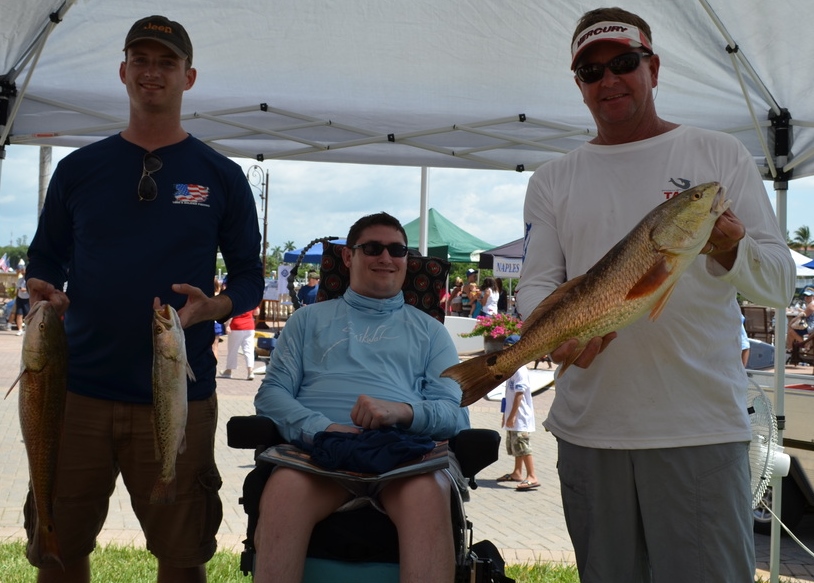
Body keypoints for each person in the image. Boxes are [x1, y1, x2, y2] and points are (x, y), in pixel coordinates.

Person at [515, 7, 795, 582]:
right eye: (591, 71)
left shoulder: (718, 155)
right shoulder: (551, 179)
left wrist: (731, 250)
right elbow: (538, 283)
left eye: (624, 62)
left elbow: (779, 282)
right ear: (579, 85)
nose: (609, 80)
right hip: (589, 429)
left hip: (701, 429)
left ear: (654, 67)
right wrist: (554, 336)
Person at [24, 15, 264, 583]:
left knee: (181, 555)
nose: (152, 72)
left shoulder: (222, 175)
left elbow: (249, 278)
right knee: (58, 547)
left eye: (167, 62)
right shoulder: (78, 169)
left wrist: (215, 307)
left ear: (189, 77)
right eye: (141, 60)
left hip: (180, 394)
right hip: (76, 392)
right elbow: (45, 258)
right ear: (123, 71)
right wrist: (44, 290)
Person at [252, 211, 470, 583]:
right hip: (317, 455)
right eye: (372, 248)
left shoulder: (432, 332)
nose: (386, 258)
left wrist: (402, 412)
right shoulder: (306, 321)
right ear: (348, 255)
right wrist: (324, 430)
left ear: (407, 260)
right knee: (284, 490)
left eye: (397, 250)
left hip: (404, 457)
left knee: (429, 492)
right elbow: (272, 394)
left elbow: (455, 414)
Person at [494, 334, 538, 491]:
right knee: (515, 446)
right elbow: (508, 395)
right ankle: (517, 472)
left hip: (520, 416)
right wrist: (505, 414)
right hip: (513, 415)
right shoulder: (511, 368)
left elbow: (519, 394)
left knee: (522, 445)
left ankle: (532, 475)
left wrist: (512, 416)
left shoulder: (520, 370)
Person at [14, 262, 30, 336]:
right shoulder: (20, 280)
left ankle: (28, 329)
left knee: (28, 315)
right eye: (22, 271)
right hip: (20, 298)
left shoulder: (29, 280)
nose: (23, 273)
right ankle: (20, 330)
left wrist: (26, 289)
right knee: (19, 314)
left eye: (24, 271)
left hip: (27, 299)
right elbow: (18, 288)